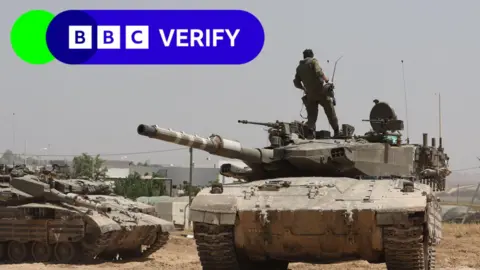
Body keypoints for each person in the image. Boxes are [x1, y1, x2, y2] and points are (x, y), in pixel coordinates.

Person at [293, 49, 340, 137]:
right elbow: (319, 72)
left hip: (310, 95)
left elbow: (296, 82)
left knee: (311, 115)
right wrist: (327, 81)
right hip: (321, 92)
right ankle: (337, 131)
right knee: (330, 112)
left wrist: (304, 88)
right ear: (312, 55)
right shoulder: (313, 62)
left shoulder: (299, 68)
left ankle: (310, 132)